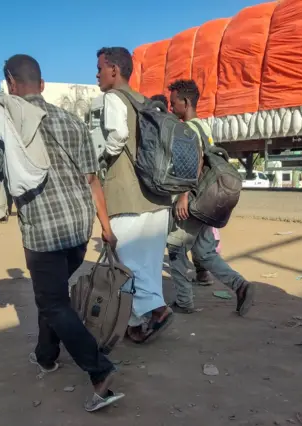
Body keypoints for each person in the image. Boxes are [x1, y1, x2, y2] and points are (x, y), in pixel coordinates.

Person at [0, 54, 122, 412]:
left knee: (53, 302)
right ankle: (46, 355)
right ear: (41, 84)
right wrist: (106, 225)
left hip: (44, 232)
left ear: (10, 82)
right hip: (78, 226)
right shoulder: (72, 122)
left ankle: (99, 371)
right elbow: (92, 179)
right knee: (51, 296)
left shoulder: (6, 126)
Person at [97, 47, 174, 343]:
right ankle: (136, 321)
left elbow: (117, 136)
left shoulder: (113, 98)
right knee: (150, 262)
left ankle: (156, 311)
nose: (98, 75)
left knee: (125, 262)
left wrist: (99, 158)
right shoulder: (145, 101)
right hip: (156, 197)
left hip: (126, 195)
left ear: (114, 70)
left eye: (100, 69)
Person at [165, 79, 254, 315]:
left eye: (174, 103)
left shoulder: (187, 129)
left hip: (194, 201)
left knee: (175, 247)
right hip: (207, 201)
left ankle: (184, 301)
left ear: (185, 102)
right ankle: (239, 285)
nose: (171, 108)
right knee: (204, 252)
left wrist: (183, 195)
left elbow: (194, 163)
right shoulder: (203, 126)